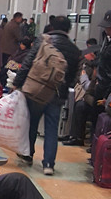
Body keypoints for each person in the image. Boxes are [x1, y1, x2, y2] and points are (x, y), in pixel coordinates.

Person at [13, 15, 80, 174]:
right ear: (69, 29)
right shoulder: (74, 50)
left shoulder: (43, 41)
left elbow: (28, 62)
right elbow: (73, 77)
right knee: (52, 128)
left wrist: (17, 82)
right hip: (56, 94)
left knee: (32, 122)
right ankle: (48, 164)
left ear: (52, 26)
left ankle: (28, 154)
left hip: (37, 90)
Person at [64, 10, 111, 146]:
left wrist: (109, 93)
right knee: (92, 114)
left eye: (110, 27)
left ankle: (98, 146)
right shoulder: (107, 39)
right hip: (99, 85)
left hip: (110, 88)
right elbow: (102, 60)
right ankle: (91, 144)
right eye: (106, 26)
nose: (107, 30)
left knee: (100, 117)